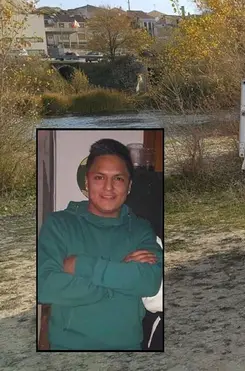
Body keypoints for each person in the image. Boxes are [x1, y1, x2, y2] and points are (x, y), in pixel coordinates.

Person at [37, 138, 163, 351]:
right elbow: (44, 286)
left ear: (129, 185)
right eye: (99, 177)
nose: (108, 187)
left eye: (118, 179)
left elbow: (150, 282)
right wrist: (121, 277)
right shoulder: (59, 224)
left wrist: (80, 265)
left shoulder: (141, 229)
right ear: (86, 182)